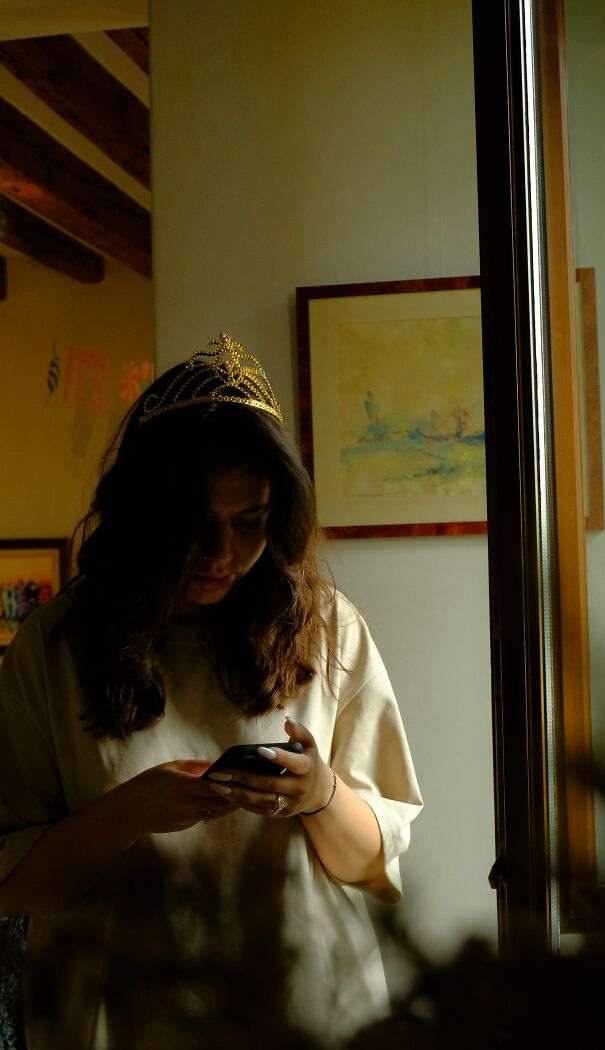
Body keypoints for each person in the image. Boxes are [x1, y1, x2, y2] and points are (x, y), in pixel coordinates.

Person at [0, 335, 423, 1050]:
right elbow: (15, 881)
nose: (219, 553)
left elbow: (372, 864)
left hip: (306, 1004)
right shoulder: (58, 643)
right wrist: (130, 810)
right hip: (120, 1012)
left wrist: (320, 793)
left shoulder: (327, 630)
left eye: (249, 523)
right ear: (140, 512)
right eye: (190, 523)